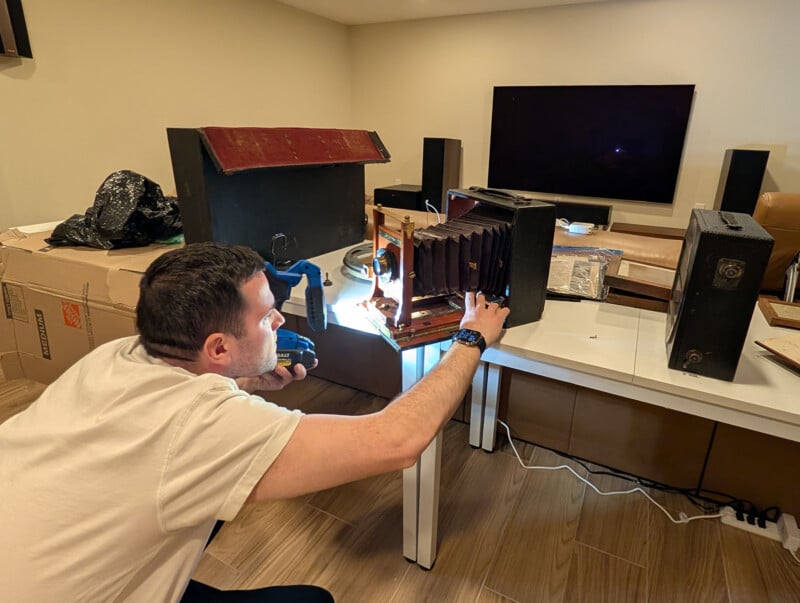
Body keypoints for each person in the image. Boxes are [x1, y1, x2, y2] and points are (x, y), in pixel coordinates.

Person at [0, 241, 510, 602]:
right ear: (218, 348)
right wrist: (471, 338)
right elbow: (398, 440)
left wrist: (239, 383)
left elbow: (161, 428)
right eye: (267, 316)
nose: (280, 321)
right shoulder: (202, 428)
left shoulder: (120, 354)